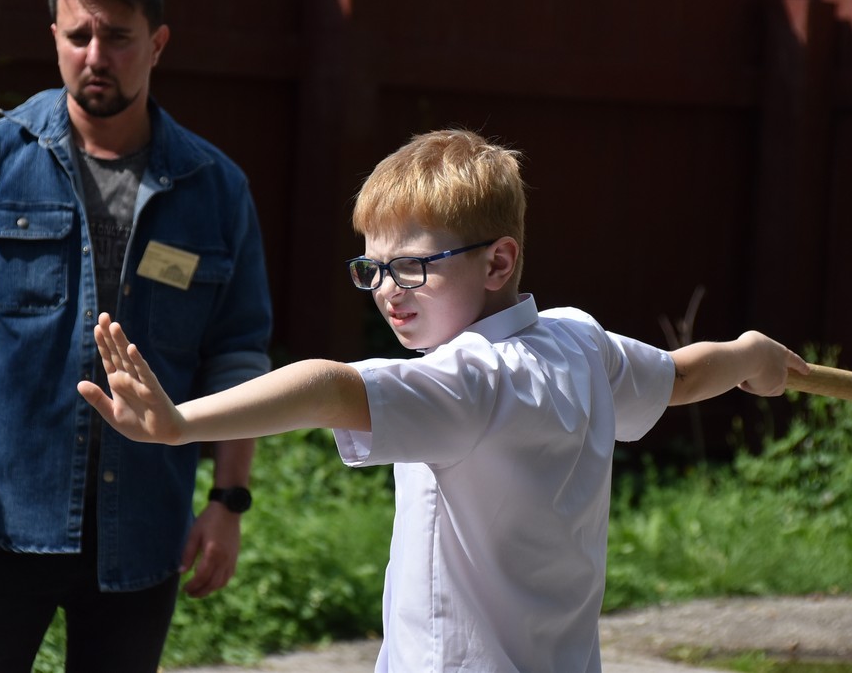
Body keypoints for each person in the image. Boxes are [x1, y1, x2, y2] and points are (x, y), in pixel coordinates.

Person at [80, 129, 808, 672]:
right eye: (373, 267)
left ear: (498, 261)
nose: (389, 291)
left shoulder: (468, 381)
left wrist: (180, 425)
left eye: (413, 267)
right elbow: (680, 377)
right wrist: (751, 356)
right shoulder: (579, 343)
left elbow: (332, 387)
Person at [0, 0, 272, 672]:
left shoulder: (215, 189)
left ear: (157, 44)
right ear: (55, 37)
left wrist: (229, 499)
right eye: (78, 36)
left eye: (119, 37)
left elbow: (237, 354)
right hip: (0, 518)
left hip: (144, 528)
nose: (95, 56)